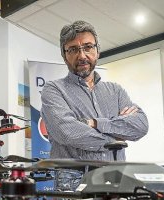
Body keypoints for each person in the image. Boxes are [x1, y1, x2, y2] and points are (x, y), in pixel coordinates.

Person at [41, 20, 148, 161]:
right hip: (76, 182)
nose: (82, 56)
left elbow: (140, 126)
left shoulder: (116, 91)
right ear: (64, 56)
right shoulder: (54, 90)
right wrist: (115, 138)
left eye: (88, 47)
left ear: (97, 51)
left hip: (116, 179)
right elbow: (68, 132)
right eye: (73, 49)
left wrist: (94, 123)